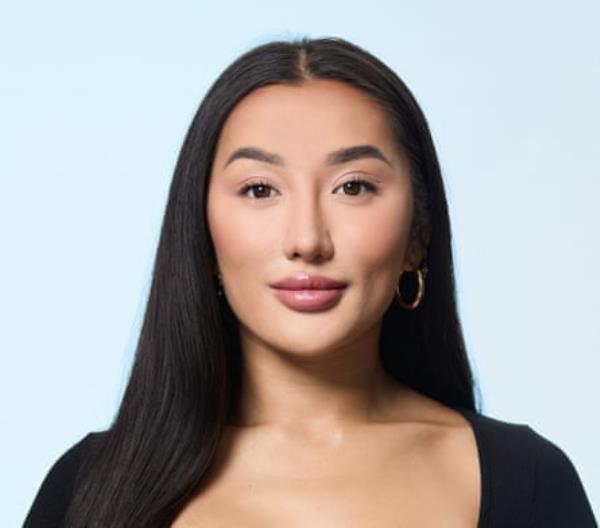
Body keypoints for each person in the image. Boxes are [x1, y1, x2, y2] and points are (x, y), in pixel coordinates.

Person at [24, 36, 596, 528]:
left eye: (352, 187)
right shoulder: (86, 488)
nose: (307, 238)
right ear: (202, 231)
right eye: (259, 189)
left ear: (417, 234)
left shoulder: (528, 481)